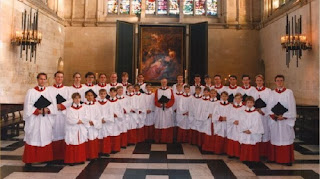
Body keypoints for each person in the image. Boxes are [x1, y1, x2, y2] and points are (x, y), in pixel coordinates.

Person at [23, 73, 57, 165]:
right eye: (41, 79)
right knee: (34, 136)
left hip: (45, 119)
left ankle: (45, 158)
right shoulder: (31, 92)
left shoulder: (49, 92)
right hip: (34, 119)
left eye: (44, 79)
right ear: (37, 80)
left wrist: (48, 109)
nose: (42, 81)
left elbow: (54, 106)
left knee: (45, 135)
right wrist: (35, 111)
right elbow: (27, 106)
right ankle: (30, 159)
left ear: (46, 80)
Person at [267, 75, 296, 166]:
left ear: (283, 81)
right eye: (277, 80)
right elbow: (269, 107)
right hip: (275, 120)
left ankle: (286, 159)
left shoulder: (289, 92)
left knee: (286, 138)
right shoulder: (272, 93)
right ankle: (274, 158)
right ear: (275, 82)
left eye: (281, 80)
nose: (279, 82)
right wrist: (274, 116)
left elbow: (292, 106)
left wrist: (284, 116)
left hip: (285, 121)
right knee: (275, 137)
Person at [48, 71, 69, 161]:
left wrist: (62, 106)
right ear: (54, 78)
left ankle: (62, 155)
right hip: (53, 115)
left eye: (61, 77)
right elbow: (46, 101)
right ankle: (53, 155)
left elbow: (71, 100)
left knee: (63, 132)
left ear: (63, 78)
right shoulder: (48, 89)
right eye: (58, 77)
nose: (59, 79)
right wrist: (54, 106)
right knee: (53, 133)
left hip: (63, 114)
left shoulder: (67, 89)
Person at [64, 93, 88, 165]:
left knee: (80, 142)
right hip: (72, 128)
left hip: (81, 128)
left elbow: (87, 117)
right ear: (73, 99)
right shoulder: (69, 109)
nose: (77, 100)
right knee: (72, 142)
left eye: (78, 98)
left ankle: (80, 159)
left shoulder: (84, 108)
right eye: (75, 98)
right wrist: (78, 121)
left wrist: (82, 121)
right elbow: (69, 119)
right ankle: (71, 160)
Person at [239, 96, 264, 162]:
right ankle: (245, 158)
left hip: (253, 133)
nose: (249, 104)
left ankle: (253, 159)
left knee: (253, 146)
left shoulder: (256, 113)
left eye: (251, 102)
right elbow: (241, 122)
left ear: (253, 103)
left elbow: (257, 124)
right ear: (245, 103)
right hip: (245, 131)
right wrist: (245, 129)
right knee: (245, 145)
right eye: (248, 102)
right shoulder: (242, 112)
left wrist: (251, 130)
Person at [254, 74, 272, 158]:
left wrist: (263, 111)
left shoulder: (268, 91)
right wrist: (255, 110)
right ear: (255, 81)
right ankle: (256, 152)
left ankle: (264, 153)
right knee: (256, 131)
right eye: (257, 81)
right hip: (254, 116)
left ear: (263, 81)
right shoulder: (252, 91)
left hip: (264, 116)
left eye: (260, 81)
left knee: (265, 132)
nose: (259, 82)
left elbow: (270, 104)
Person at [154, 78, 175, 143]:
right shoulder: (157, 90)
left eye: (165, 82)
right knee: (160, 123)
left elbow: (172, 99)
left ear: (167, 83)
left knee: (167, 123)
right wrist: (159, 105)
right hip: (159, 110)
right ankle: (159, 139)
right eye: (162, 82)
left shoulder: (170, 90)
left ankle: (167, 139)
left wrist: (167, 105)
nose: (164, 83)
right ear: (161, 83)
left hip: (167, 110)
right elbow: (155, 100)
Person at [84, 90, 102, 160]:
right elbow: (82, 116)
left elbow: (98, 116)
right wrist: (88, 122)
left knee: (93, 140)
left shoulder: (96, 106)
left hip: (94, 126)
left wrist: (94, 122)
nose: (90, 97)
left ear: (93, 97)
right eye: (88, 95)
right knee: (87, 140)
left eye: (91, 95)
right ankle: (87, 155)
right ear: (85, 96)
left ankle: (93, 155)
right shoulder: (83, 106)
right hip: (86, 126)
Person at [226, 93, 244, 158]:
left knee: (239, 138)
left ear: (241, 99)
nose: (237, 100)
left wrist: (240, 121)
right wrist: (233, 121)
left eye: (239, 98)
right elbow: (228, 116)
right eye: (236, 98)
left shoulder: (244, 108)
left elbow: (246, 117)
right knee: (233, 138)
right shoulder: (231, 107)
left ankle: (238, 154)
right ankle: (232, 153)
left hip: (240, 125)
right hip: (233, 125)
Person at [107, 88, 124, 152]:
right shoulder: (107, 102)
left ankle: (116, 148)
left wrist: (117, 115)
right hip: (109, 121)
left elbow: (121, 111)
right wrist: (110, 116)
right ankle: (110, 148)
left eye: (114, 92)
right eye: (111, 92)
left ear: (116, 93)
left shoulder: (118, 101)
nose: (112, 93)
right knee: (110, 133)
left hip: (116, 120)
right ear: (109, 93)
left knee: (116, 133)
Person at [97, 89, 112, 156]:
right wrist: (99, 119)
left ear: (106, 94)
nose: (102, 95)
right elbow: (95, 113)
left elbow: (110, 113)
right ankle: (99, 151)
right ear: (99, 94)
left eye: (104, 94)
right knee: (99, 136)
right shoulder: (96, 103)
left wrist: (105, 119)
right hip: (99, 122)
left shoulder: (109, 103)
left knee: (105, 136)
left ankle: (106, 151)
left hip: (106, 122)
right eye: (101, 94)